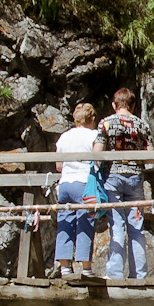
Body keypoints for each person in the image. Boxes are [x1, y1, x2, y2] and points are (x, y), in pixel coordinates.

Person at [97, 87, 153, 281]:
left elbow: (96, 154)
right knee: (136, 227)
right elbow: (150, 158)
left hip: (112, 178)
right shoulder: (142, 125)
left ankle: (115, 275)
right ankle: (139, 275)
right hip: (136, 179)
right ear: (133, 105)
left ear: (114, 105)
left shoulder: (106, 123)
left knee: (117, 226)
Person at [53, 103, 103, 277]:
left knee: (65, 222)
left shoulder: (64, 137)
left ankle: (65, 266)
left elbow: (59, 165)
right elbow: (98, 161)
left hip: (65, 184)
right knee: (85, 222)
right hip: (83, 183)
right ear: (92, 119)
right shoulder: (94, 135)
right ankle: (86, 267)